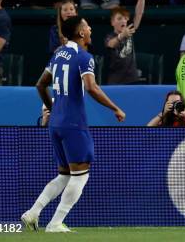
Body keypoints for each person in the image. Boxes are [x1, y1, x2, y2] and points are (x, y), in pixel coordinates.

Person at [21, 16, 126, 233]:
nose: (90, 29)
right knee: (81, 175)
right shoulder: (84, 57)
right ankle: (56, 223)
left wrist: (52, 106)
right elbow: (91, 87)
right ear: (80, 33)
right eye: (87, 26)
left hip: (56, 124)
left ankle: (33, 212)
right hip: (73, 123)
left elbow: (40, 85)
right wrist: (115, 108)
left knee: (64, 175)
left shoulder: (58, 54)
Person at [104, 0, 146, 85]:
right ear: (112, 22)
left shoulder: (129, 31)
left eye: (125, 18)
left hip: (132, 80)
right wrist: (122, 35)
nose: (123, 21)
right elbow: (110, 44)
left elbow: (139, 13)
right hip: (116, 82)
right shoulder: (109, 36)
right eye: (119, 19)